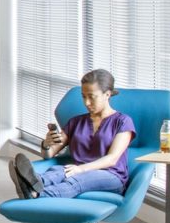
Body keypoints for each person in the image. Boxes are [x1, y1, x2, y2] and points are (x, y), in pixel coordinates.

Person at [9, 69, 136, 200]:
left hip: (111, 176)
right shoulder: (76, 122)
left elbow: (112, 159)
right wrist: (46, 145)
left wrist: (81, 169)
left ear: (107, 94)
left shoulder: (122, 121)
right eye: (83, 96)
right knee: (57, 172)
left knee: (76, 180)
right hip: (78, 169)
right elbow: (49, 154)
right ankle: (31, 183)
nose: (86, 102)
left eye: (91, 96)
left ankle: (36, 194)